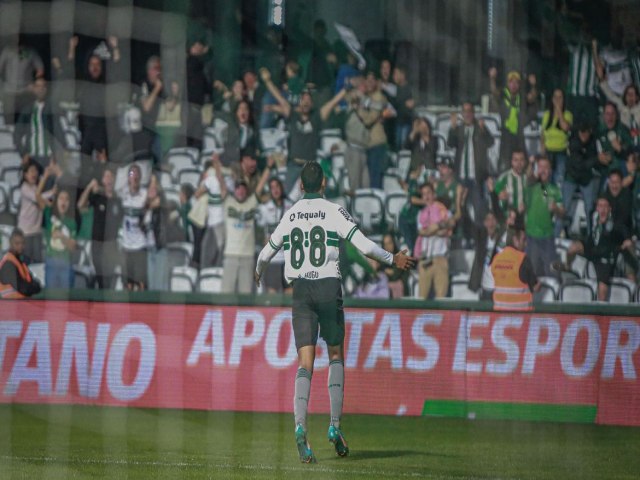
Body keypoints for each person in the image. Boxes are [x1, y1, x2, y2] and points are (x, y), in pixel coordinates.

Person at [254, 161, 415, 463]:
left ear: (301, 186)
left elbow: (265, 253)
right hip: (328, 288)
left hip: (301, 291)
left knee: (305, 362)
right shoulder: (333, 210)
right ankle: (334, 427)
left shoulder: (290, 215)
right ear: (324, 184)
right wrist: (393, 258)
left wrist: (258, 272)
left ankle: (300, 426)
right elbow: (364, 246)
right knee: (336, 355)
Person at [260, 67, 347, 193]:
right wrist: (267, 81)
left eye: (308, 100)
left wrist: (346, 90)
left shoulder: (316, 118)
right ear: (299, 103)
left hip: (309, 167)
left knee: (317, 196)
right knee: (285, 194)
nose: (306, 102)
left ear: (312, 104)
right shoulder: (292, 116)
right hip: (293, 165)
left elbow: (332, 103)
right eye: (303, 100)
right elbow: (280, 98)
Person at [555, 196, 633, 301]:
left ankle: (602, 312)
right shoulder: (594, 217)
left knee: (602, 289)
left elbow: (623, 233)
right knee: (572, 247)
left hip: (605, 256)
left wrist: (626, 241)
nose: (603, 209)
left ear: (610, 208)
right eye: (600, 206)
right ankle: (567, 266)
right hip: (592, 249)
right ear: (597, 208)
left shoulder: (614, 224)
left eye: (605, 206)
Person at [217, 155, 270, 294]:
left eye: (243, 189)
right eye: (237, 188)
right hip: (230, 256)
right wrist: (216, 163)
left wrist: (269, 167)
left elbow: (260, 186)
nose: (240, 191)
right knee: (226, 294)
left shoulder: (251, 203)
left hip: (247, 257)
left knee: (245, 294)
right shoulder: (228, 202)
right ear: (234, 191)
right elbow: (221, 183)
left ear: (246, 191)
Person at [447, 102, 495, 234]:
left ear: (473, 113)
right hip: (461, 176)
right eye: (465, 111)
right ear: (462, 114)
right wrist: (452, 127)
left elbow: (491, 142)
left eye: (470, 111)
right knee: (459, 209)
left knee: (479, 209)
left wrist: (484, 129)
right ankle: (462, 237)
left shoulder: (480, 127)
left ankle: (479, 237)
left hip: (476, 177)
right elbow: (450, 144)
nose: (467, 114)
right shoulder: (459, 129)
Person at [77, 167, 122, 289]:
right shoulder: (97, 197)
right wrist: (90, 187)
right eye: (106, 176)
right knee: (100, 275)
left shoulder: (118, 200)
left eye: (111, 176)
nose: (109, 179)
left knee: (110, 276)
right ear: (102, 179)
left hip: (111, 244)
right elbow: (80, 206)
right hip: (97, 243)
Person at [488, 68, 539, 172]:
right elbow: (494, 92)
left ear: (519, 85)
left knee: (521, 162)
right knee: (505, 164)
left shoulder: (522, 97)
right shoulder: (503, 95)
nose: (514, 85)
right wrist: (492, 79)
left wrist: (533, 85)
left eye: (516, 82)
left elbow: (532, 97)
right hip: (506, 135)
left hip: (519, 135)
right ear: (508, 83)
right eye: (511, 82)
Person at [523, 156, 564, 277]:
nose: (543, 170)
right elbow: (528, 177)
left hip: (548, 237)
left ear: (551, 170)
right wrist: (531, 163)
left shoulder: (554, 190)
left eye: (546, 167)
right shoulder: (529, 187)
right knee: (532, 273)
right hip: (532, 237)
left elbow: (562, 212)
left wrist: (556, 209)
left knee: (553, 272)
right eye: (540, 167)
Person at [414, 182, 453, 299]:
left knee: (441, 298)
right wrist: (438, 227)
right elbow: (422, 232)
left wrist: (432, 229)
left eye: (429, 193)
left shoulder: (444, 211)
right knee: (422, 297)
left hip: (440, 258)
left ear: (434, 195)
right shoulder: (420, 214)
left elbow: (446, 230)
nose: (426, 197)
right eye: (423, 194)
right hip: (425, 259)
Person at [257, 176, 293, 294]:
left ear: (281, 188)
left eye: (277, 186)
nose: (275, 190)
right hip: (272, 260)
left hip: (289, 260)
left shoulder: (291, 206)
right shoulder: (264, 208)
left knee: (290, 297)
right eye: (272, 188)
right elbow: (257, 231)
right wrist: (262, 239)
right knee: (272, 297)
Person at [490, 226, 539, 311]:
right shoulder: (523, 259)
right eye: (523, 240)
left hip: (499, 315)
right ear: (515, 240)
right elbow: (535, 287)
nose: (526, 243)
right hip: (521, 315)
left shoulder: (496, 258)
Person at [119, 164, 148, 291]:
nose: (134, 177)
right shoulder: (123, 194)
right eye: (131, 174)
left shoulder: (144, 195)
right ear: (128, 177)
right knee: (127, 283)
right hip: (126, 245)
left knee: (141, 282)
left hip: (140, 245)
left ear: (140, 177)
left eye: (137, 174)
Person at [540, 88, 573, 185]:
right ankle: (545, 198)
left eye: (560, 97)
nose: (558, 100)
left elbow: (565, 127)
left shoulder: (567, 114)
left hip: (561, 152)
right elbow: (543, 133)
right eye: (555, 97)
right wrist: (542, 147)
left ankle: (556, 200)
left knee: (559, 179)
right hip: (548, 151)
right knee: (545, 179)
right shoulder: (546, 114)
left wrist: (558, 110)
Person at [0, 228, 42, 298]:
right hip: (11, 305)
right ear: (10, 243)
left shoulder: (20, 262)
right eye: (17, 243)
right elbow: (24, 289)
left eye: (22, 243)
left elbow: (33, 281)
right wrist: (34, 287)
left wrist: (35, 286)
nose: (20, 246)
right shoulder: (8, 264)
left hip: (20, 304)